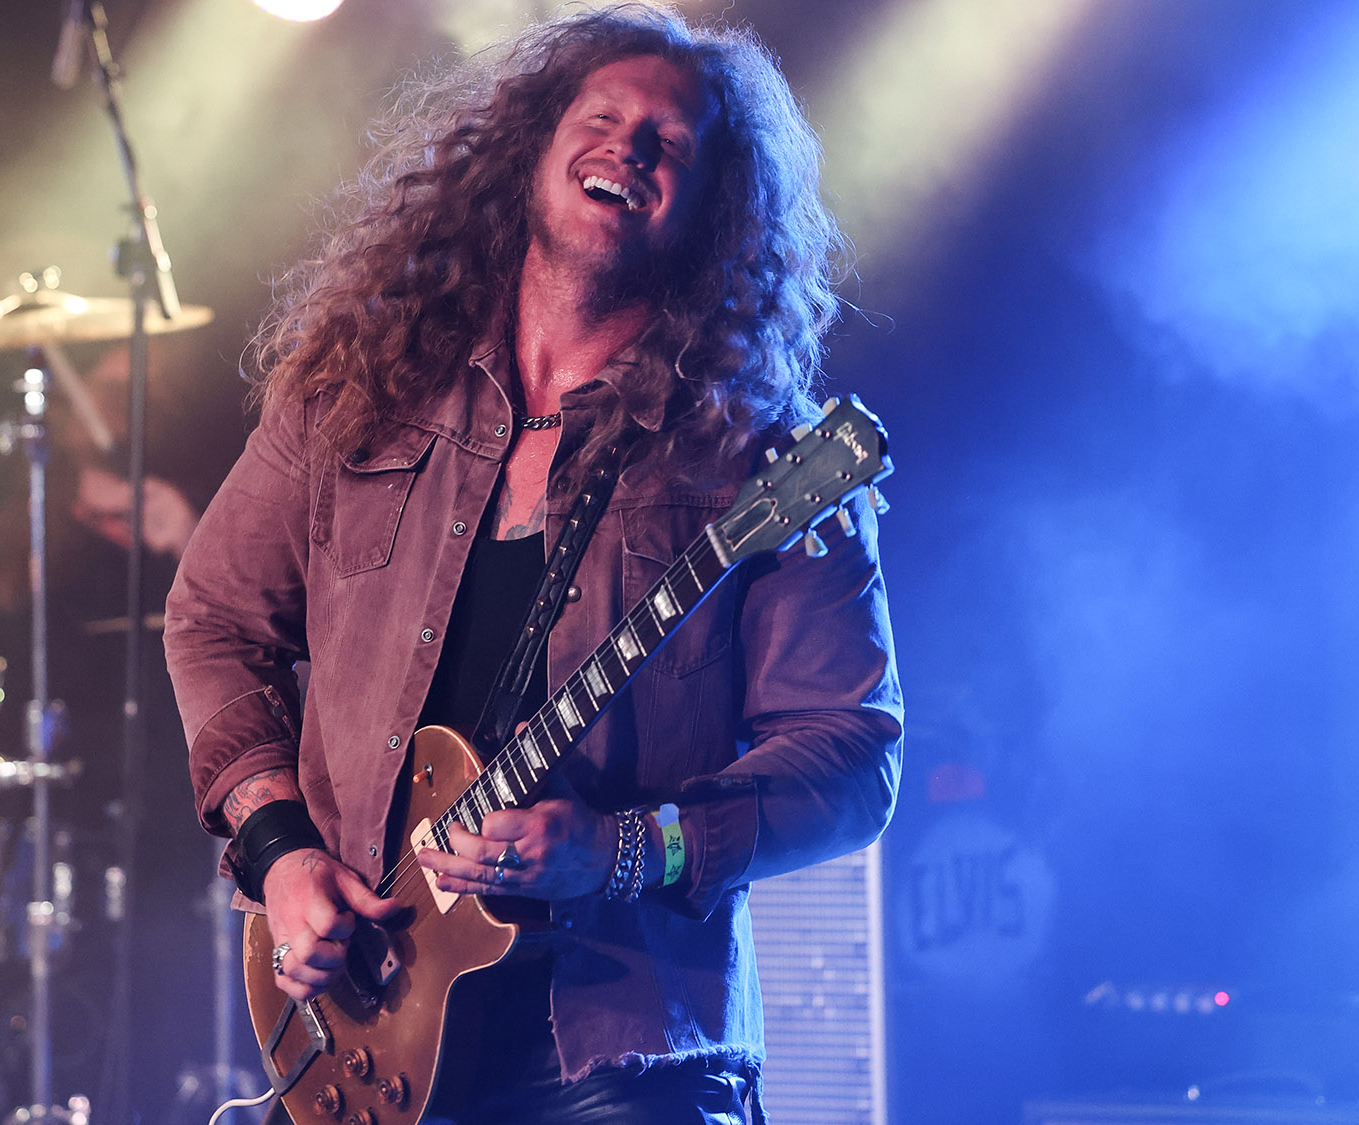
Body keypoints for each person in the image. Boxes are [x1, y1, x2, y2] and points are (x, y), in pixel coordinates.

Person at [164, 6, 902, 1122]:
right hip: (369, 1015)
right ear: (531, 150)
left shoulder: (759, 458)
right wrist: (278, 853)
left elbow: (851, 759)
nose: (631, 148)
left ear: (712, 210)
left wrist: (620, 851)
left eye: (671, 143)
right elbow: (213, 618)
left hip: (619, 1046)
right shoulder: (355, 396)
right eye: (602, 118)